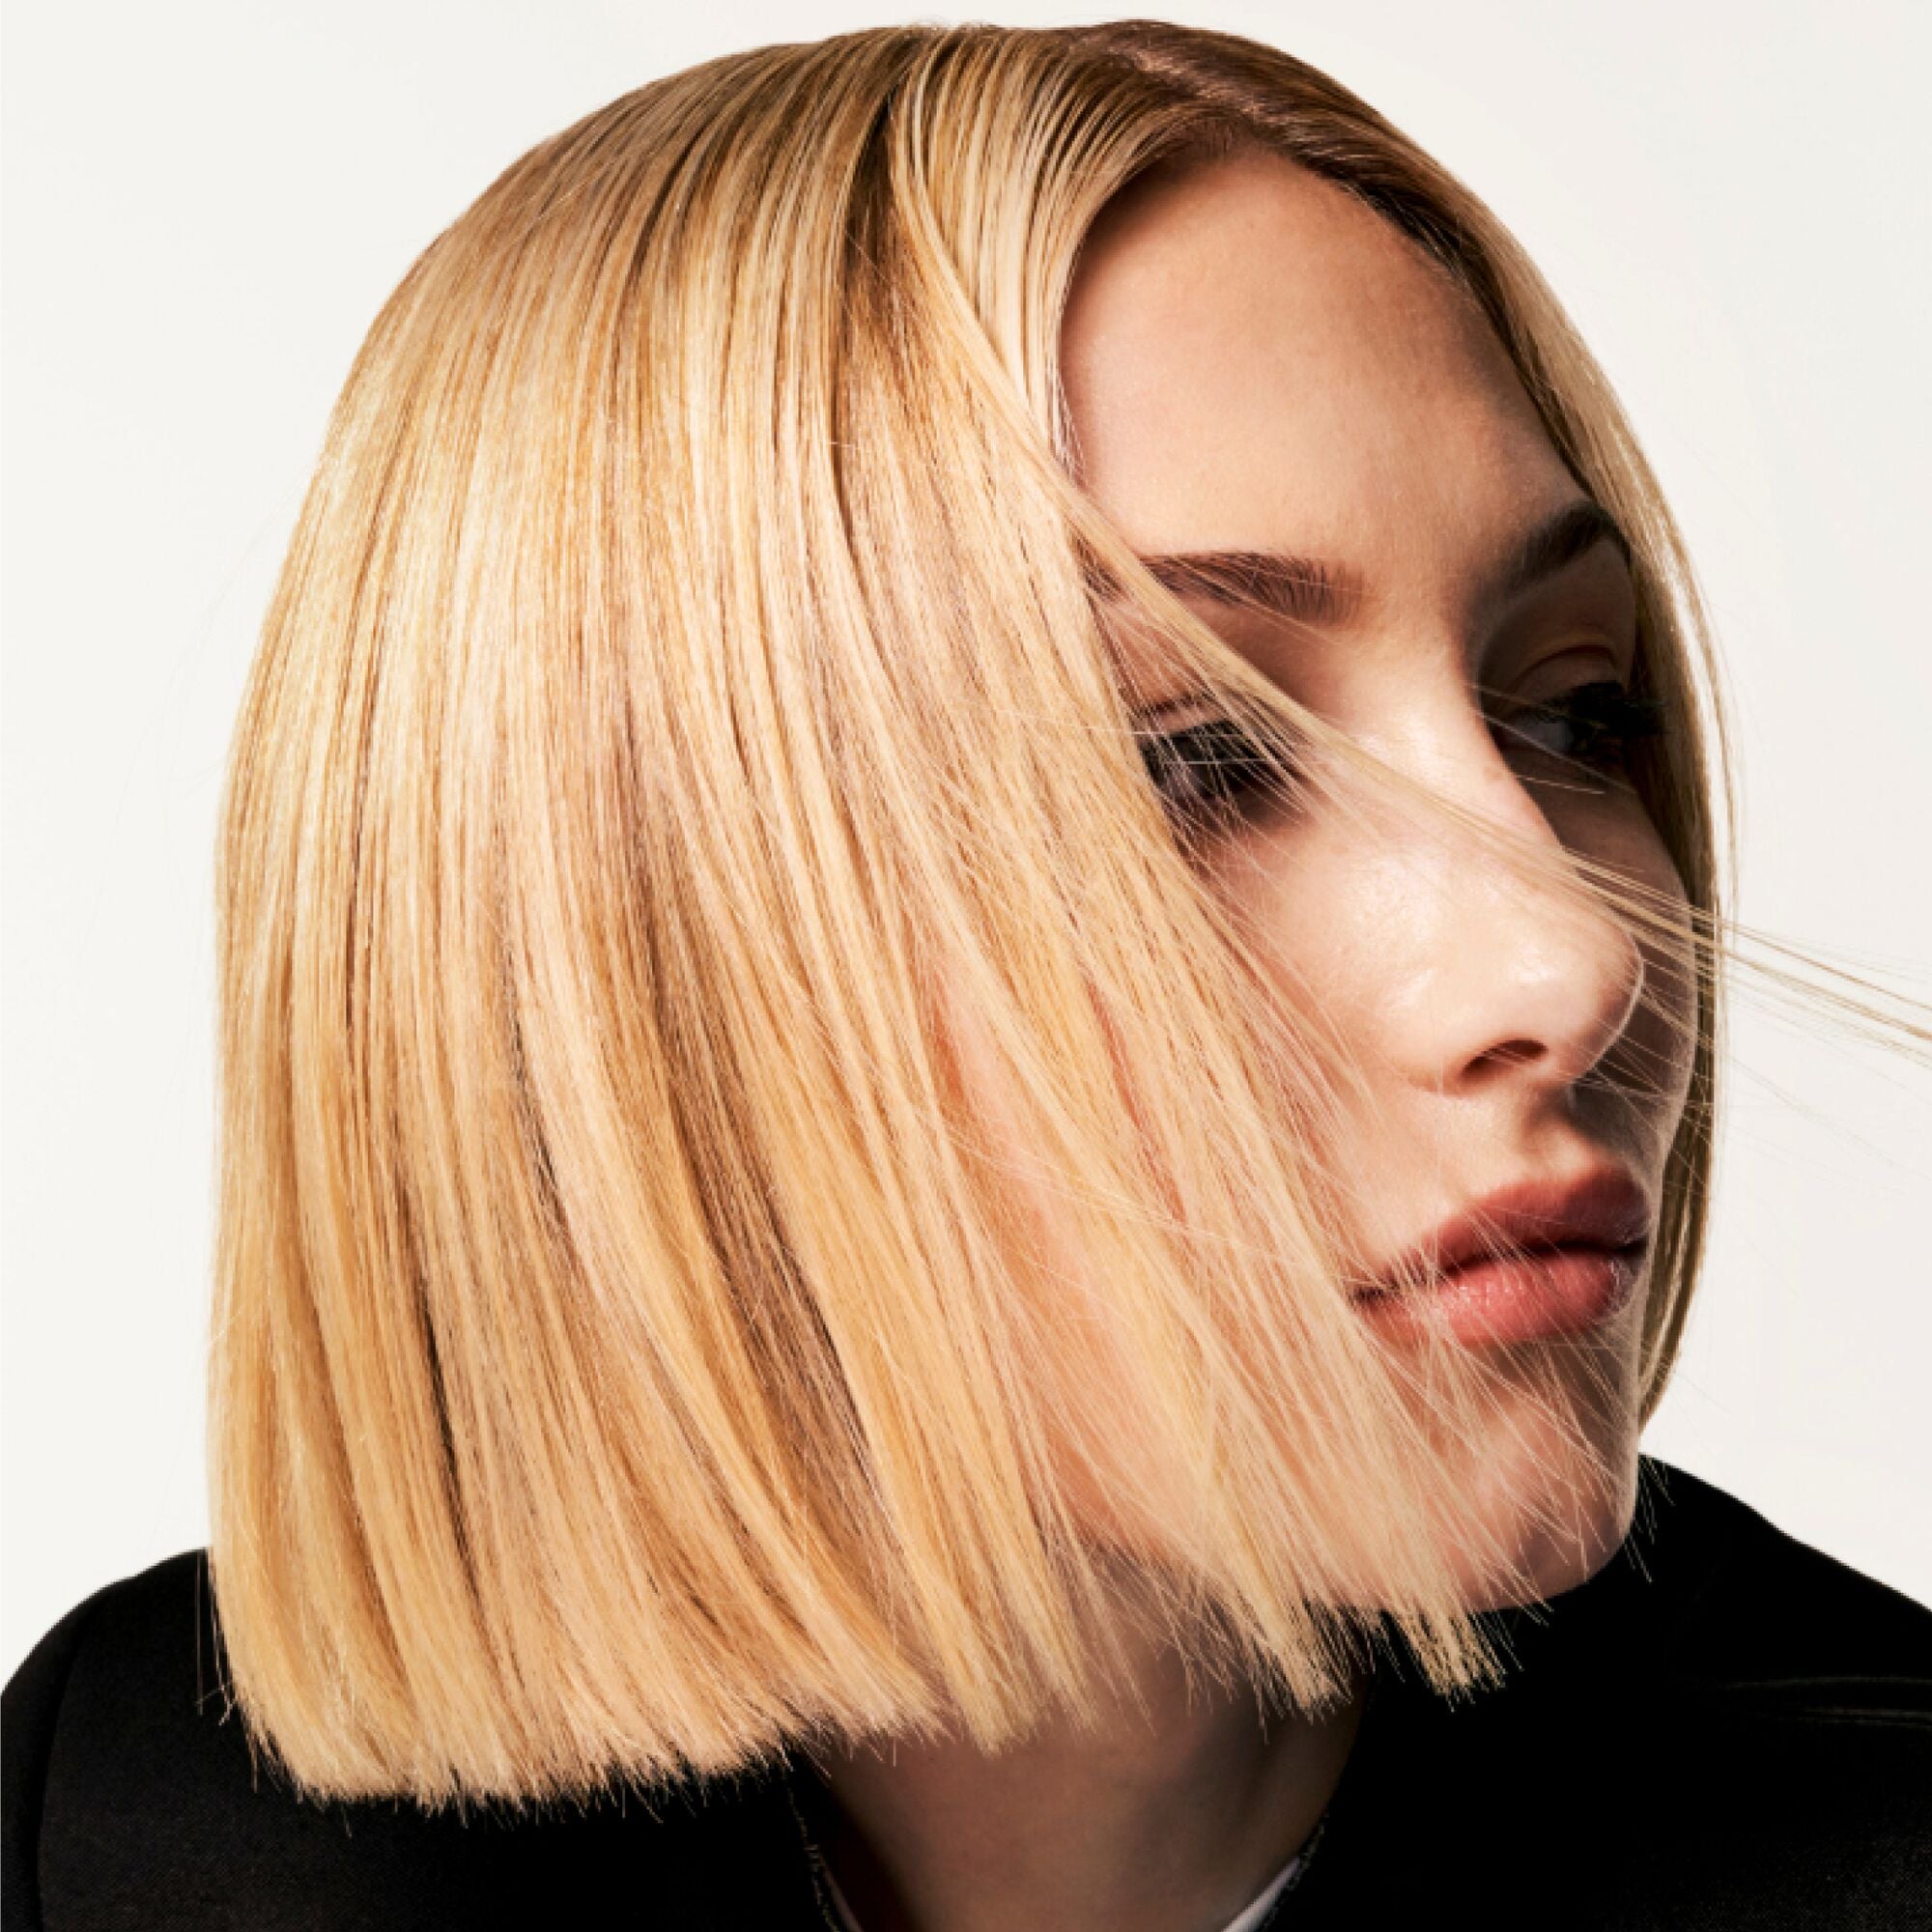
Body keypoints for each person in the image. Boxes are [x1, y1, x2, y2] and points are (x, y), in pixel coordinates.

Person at [5, 19, 1928, 1931]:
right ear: (625, 953)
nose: (1577, 955)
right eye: (1198, 760)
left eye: (1578, 711)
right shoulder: (136, 1833)